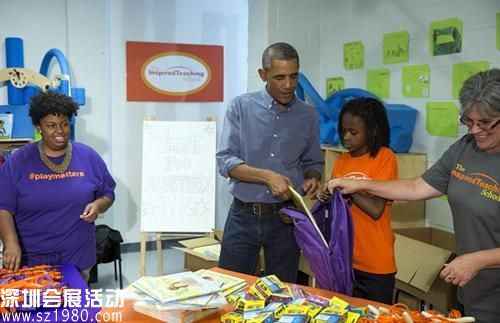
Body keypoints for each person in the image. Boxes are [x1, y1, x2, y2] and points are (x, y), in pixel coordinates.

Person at [327, 69, 500, 322]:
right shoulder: (464, 149)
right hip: (474, 290)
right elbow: (416, 188)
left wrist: (478, 260)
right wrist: (355, 184)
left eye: (485, 123)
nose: (475, 130)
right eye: (468, 121)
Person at [216, 42, 324, 282]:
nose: (288, 85)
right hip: (243, 216)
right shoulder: (241, 107)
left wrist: (312, 178)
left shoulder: (308, 115)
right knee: (231, 288)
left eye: (294, 76)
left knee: (282, 295)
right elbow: (225, 161)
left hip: (286, 219)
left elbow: (313, 162)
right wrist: (267, 176)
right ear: (263, 75)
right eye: (279, 77)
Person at [0, 91, 116, 282]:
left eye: (64, 124)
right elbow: (3, 207)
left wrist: (98, 206)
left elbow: (108, 194)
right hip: (32, 261)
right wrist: (11, 243)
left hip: (77, 258)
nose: (60, 131)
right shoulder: (18, 161)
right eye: (51, 126)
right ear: (39, 127)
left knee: (73, 310)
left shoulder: (88, 156)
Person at [320, 97, 398, 304]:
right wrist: (326, 194)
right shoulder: (342, 160)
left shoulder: (385, 157)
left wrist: (349, 189)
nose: (346, 137)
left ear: (372, 131)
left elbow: (376, 209)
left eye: (353, 132)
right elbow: (337, 208)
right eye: (343, 131)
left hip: (375, 263)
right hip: (344, 259)